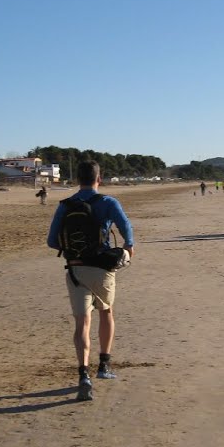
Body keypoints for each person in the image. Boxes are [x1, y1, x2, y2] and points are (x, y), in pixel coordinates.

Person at [48, 161, 135, 401]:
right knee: (106, 313)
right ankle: (104, 366)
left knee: (81, 323)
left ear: (78, 179)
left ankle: (83, 374)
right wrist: (129, 246)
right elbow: (126, 226)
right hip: (102, 270)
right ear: (100, 178)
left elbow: (52, 242)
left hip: (75, 270)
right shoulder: (107, 202)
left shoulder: (65, 205)